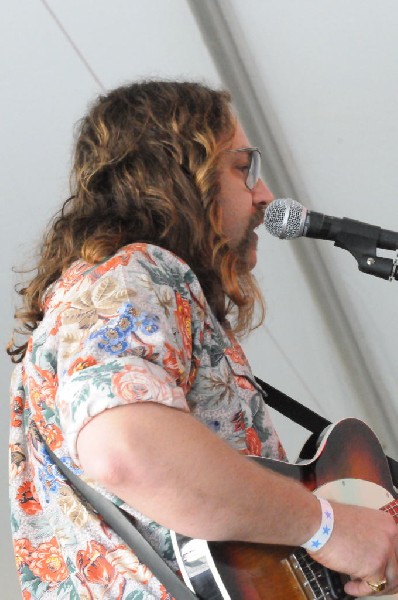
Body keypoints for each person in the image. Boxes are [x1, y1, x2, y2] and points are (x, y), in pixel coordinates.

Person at [8, 80, 398, 599]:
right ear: (177, 177)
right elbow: (124, 448)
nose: (264, 195)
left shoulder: (115, 298)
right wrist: (325, 527)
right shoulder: (135, 274)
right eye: (243, 168)